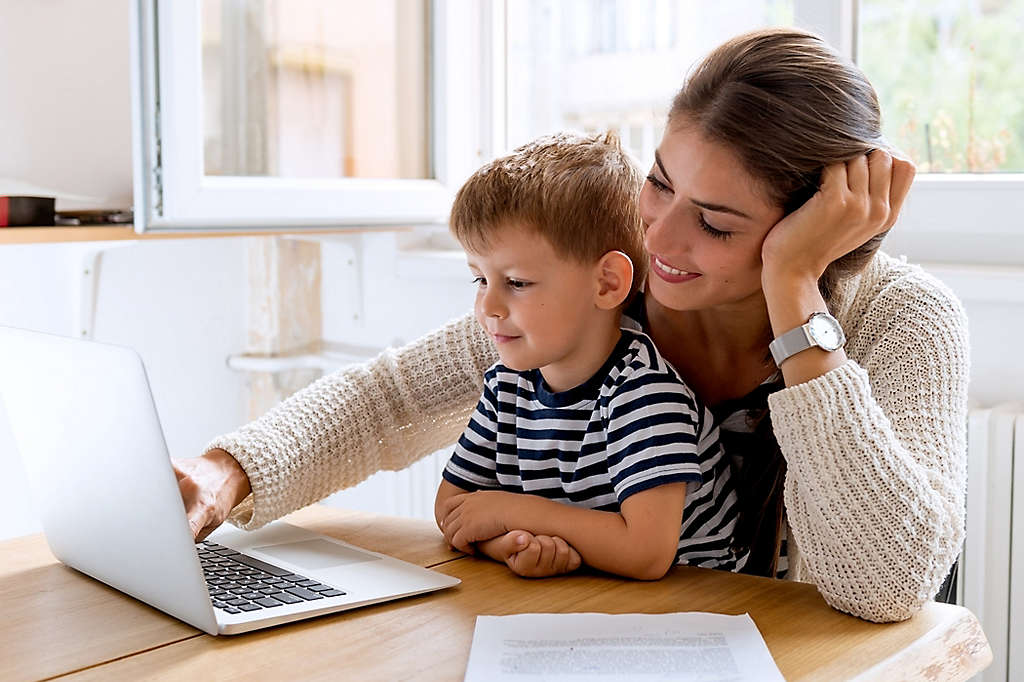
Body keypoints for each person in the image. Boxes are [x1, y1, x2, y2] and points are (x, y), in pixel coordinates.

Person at [173, 27, 968, 624]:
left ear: (817, 226)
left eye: (717, 225)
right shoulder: (609, 278)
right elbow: (391, 399)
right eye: (659, 183)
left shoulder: (903, 322)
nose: (658, 239)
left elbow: (885, 586)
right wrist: (223, 474)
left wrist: (795, 291)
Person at [434, 132, 736, 580]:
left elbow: (646, 553)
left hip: (696, 610)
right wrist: (509, 543)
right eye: (479, 279)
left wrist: (512, 511)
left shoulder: (645, 394)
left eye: (516, 282)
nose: (488, 307)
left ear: (607, 284)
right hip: (593, 602)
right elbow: (455, 509)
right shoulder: (506, 386)